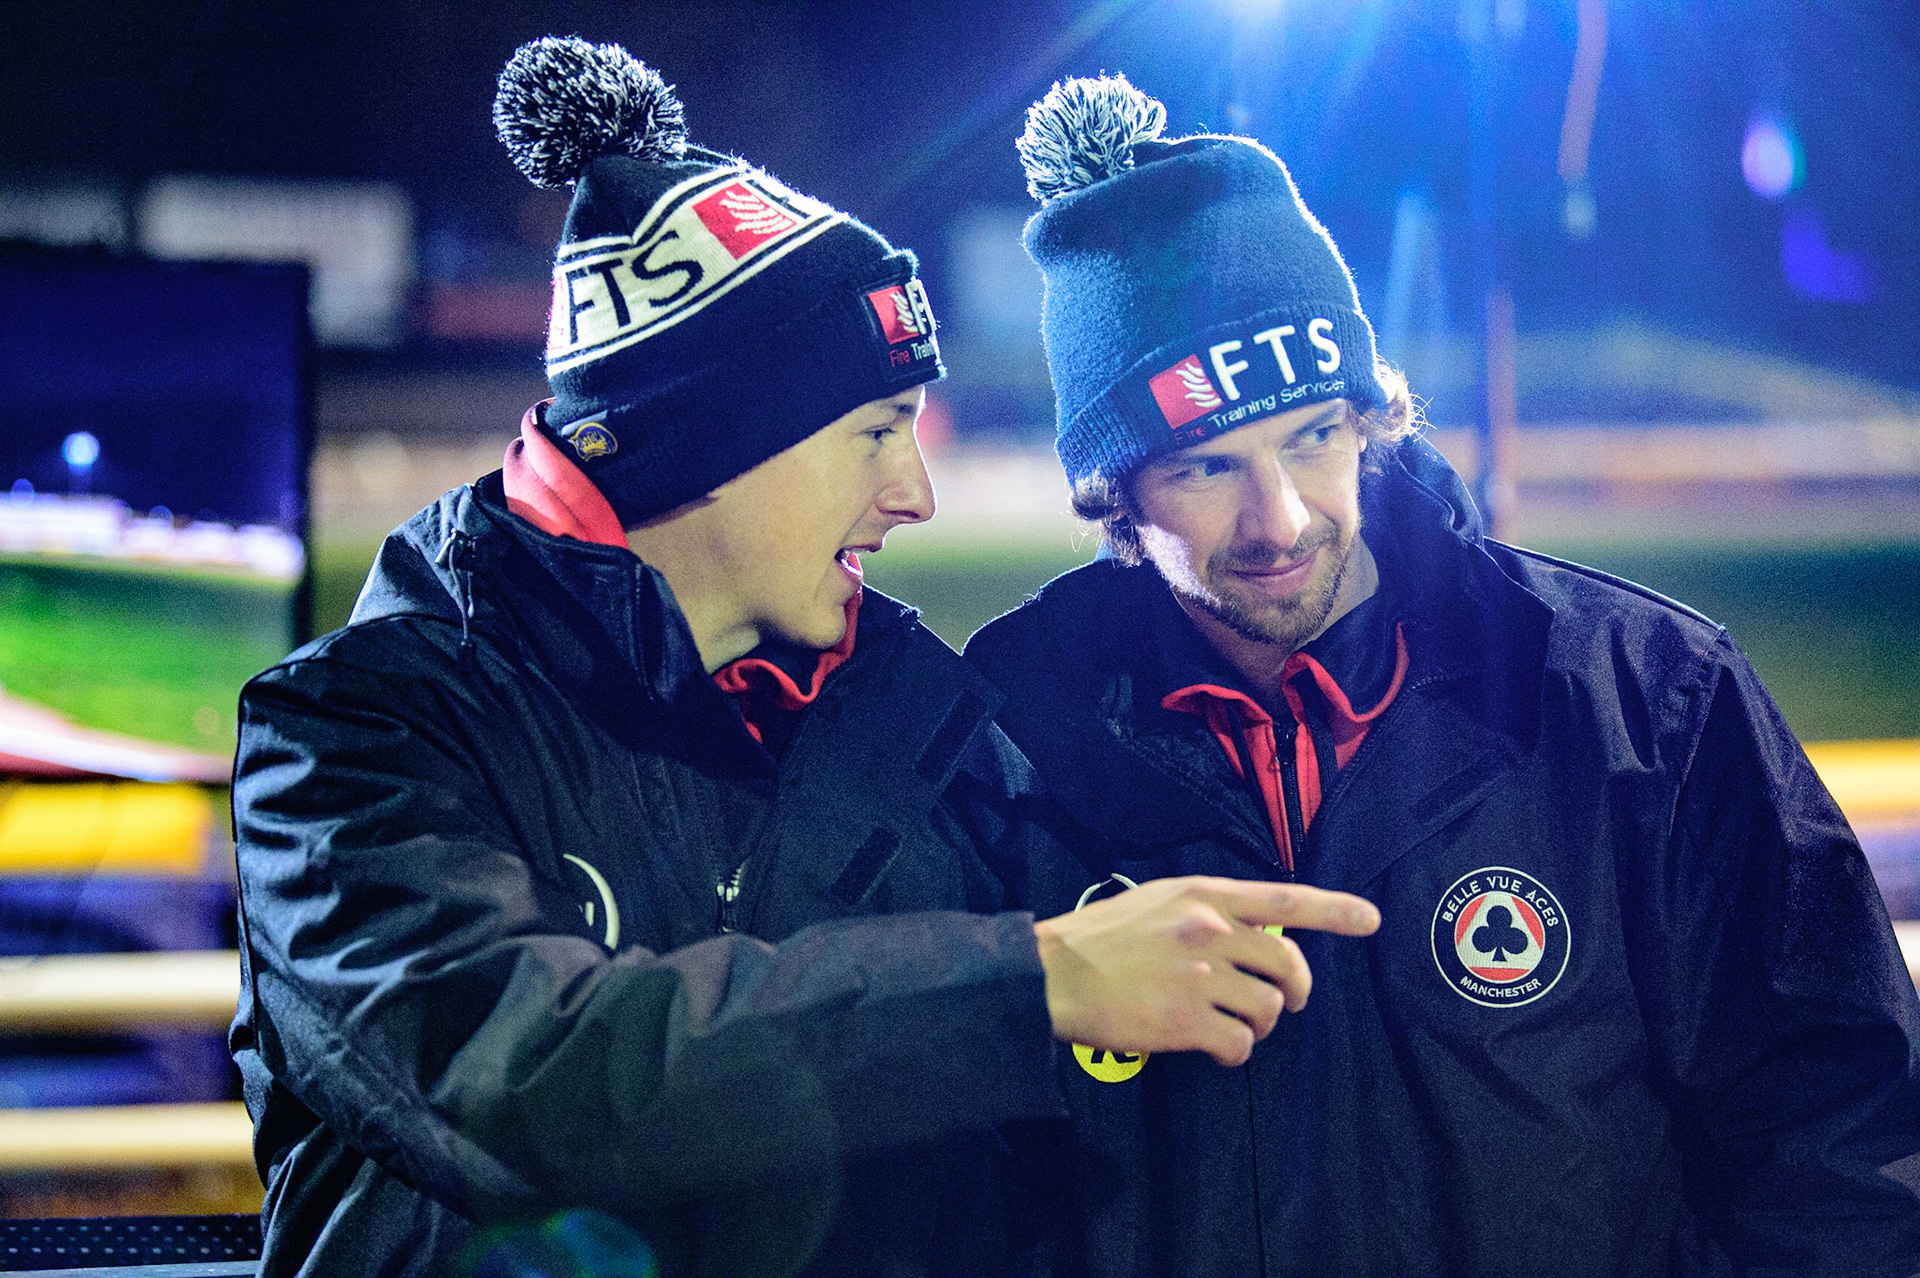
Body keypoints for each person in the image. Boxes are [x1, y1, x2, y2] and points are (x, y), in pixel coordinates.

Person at [228, 42, 1380, 1278]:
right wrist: (1020, 988)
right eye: (879, 431)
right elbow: (519, 1087)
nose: (916, 493)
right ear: (707, 448)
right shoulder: (350, 734)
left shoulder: (935, 730)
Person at [965, 74, 1920, 1276]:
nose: (1281, 518)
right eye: (1205, 469)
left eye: (1313, 436)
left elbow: (1844, 1151)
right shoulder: (1002, 746)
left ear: (1372, 419)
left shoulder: (1640, 697)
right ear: (1114, 496)